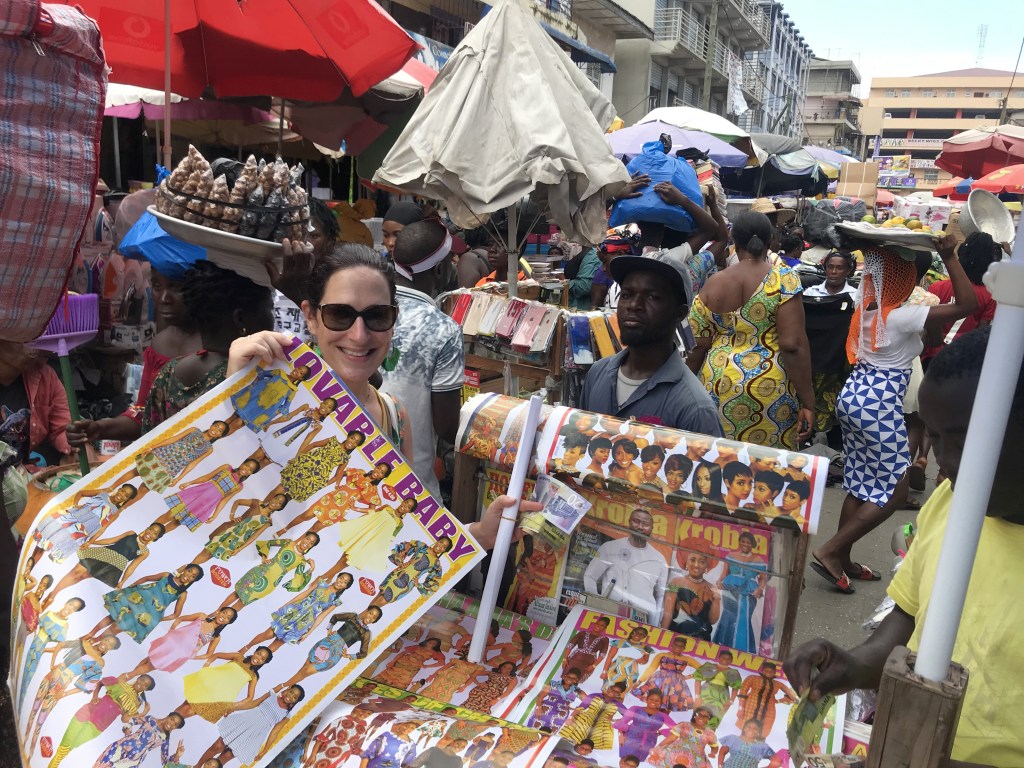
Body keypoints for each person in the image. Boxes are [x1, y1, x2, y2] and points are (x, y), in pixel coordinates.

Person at [786, 326, 1024, 764]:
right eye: (934, 438)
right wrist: (856, 664)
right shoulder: (950, 502)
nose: (943, 463)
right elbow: (909, 615)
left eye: (964, 439)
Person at [810, 235, 976, 593]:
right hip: (879, 404)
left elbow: (930, 340)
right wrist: (949, 257)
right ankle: (831, 549)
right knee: (896, 489)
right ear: (903, 278)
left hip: (854, 396)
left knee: (859, 481)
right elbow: (968, 303)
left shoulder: (867, 305)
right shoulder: (901, 315)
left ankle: (844, 558)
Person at [229, 244, 411, 452]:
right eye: (340, 314)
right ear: (310, 317)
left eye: (377, 315)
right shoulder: (267, 399)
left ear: (393, 320)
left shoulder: (395, 414)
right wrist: (231, 390)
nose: (359, 336)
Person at [687, 210, 815, 450]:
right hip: (768, 385)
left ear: (735, 241)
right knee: (767, 465)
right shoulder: (782, 278)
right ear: (770, 242)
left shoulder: (713, 283)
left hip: (716, 381)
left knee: (720, 460)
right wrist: (808, 402)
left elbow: (697, 346)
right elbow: (793, 344)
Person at [579, 251, 722, 435]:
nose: (633, 305)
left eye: (652, 297)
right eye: (627, 295)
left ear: (680, 313)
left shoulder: (695, 409)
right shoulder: (597, 375)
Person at [67, 267, 202, 447]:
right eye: (156, 286)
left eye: (176, 287)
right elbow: (144, 414)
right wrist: (99, 428)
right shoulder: (159, 345)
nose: (164, 298)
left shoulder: (220, 346)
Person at [382, 220, 465, 497]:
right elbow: (447, 426)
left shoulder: (367, 307)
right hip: (411, 484)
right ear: (441, 270)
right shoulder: (443, 329)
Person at [143, 261, 274, 431]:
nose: (272, 319)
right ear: (240, 319)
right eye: (270, 309)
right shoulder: (257, 377)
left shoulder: (168, 374)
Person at [583, 508, 668, 624]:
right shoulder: (610, 547)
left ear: (652, 529)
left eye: (646, 524)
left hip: (641, 621)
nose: (640, 527)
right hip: (609, 616)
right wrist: (597, 607)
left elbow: (660, 596)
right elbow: (590, 576)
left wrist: (653, 626)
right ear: (629, 523)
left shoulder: (659, 559)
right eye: (636, 521)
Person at [0, 342, 72, 467]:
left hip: (20, 472)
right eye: (24, 338)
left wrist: (77, 447)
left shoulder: (45, 376)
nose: (37, 345)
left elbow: (63, 427)